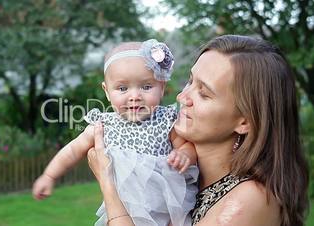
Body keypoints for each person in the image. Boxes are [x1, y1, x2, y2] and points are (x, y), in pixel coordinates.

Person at [87, 34, 309, 226]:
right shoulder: (186, 177)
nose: (182, 97)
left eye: (204, 93)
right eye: (190, 81)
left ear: (245, 121)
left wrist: (109, 185)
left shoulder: (248, 200)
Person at [33, 39, 199, 226]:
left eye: (146, 87)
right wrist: (49, 176)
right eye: (122, 88)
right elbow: (72, 150)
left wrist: (184, 154)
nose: (134, 96)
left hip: (166, 207)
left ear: (161, 87)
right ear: (107, 91)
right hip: (121, 208)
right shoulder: (104, 126)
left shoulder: (166, 120)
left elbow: (187, 146)